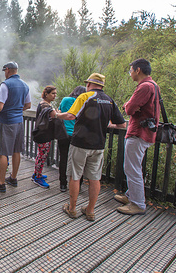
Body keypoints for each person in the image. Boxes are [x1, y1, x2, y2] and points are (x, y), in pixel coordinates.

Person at [56, 73, 126, 221]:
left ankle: (72, 209)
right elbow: (122, 125)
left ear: (88, 84)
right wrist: (108, 125)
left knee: (75, 176)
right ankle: (90, 211)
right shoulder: (109, 101)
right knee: (95, 178)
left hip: (80, 143)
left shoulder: (85, 97)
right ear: (102, 86)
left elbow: (70, 116)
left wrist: (57, 115)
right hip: (99, 145)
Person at [115, 58, 160, 215]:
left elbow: (130, 109)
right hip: (145, 132)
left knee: (132, 168)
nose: (130, 74)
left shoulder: (144, 87)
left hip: (139, 132)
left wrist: (127, 105)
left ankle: (138, 204)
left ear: (138, 70)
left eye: (131, 70)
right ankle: (130, 195)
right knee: (134, 166)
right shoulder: (153, 85)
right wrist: (132, 105)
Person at [0, 61, 31, 193]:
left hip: (6, 122)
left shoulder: (5, 85)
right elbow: (28, 105)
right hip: (19, 122)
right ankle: (13, 178)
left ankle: (1, 183)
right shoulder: (25, 85)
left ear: (7, 70)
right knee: (16, 151)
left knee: (3, 152)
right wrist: (17, 110)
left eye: (5, 71)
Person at [57, 86, 86, 192]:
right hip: (78, 134)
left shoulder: (66, 100)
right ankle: (79, 184)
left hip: (64, 134)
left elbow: (59, 111)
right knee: (78, 161)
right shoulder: (84, 102)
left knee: (63, 158)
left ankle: (63, 184)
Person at [32, 86, 58, 188]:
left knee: (41, 154)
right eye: (52, 93)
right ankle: (37, 177)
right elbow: (54, 115)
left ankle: (36, 173)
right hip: (43, 134)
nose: (54, 95)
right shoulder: (45, 105)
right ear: (46, 94)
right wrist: (58, 113)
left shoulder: (43, 104)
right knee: (42, 155)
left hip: (43, 133)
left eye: (55, 93)